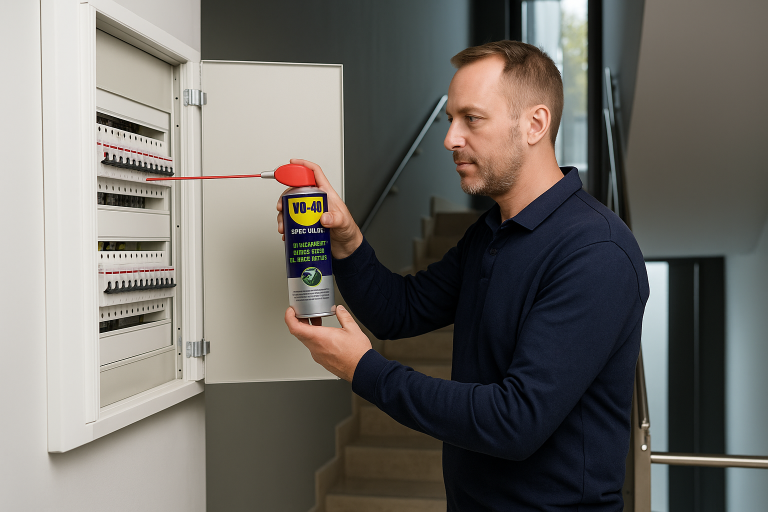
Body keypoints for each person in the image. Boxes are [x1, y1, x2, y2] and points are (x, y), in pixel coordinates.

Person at [277, 41, 649, 511]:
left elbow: (515, 422)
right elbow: (399, 311)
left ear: (535, 124)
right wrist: (347, 241)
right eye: (451, 118)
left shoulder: (598, 253)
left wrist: (364, 370)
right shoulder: (491, 231)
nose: (450, 138)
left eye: (472, 119)